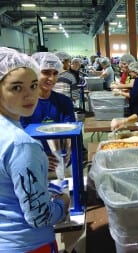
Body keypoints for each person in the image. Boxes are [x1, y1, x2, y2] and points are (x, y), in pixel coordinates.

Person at [0, 47, 70, 252]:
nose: (30, 95)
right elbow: (40, 216)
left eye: (32, 86)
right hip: (28, 243)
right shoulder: (21, 144)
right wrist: (63, 202)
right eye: (17, 88)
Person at [20, 52, 76, 172]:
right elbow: (20, 139)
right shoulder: (23, 105)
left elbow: (70, 132)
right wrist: (40, 157)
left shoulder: (63, 102)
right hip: (32, 163)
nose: (51, 78)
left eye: (55, 73)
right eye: (46, 73)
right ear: (34, 72)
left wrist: (67, 153)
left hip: (61, 163)